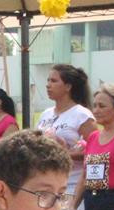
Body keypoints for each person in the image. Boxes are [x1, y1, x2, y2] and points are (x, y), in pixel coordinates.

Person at [36, 64, 96, 200]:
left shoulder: (81, 115)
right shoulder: (46, 114)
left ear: (68, 87)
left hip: (72, 184)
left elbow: (94, 153)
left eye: (54, 81)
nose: (48, 85)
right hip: (46, 184)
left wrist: (64, 154)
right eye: (48, 80)